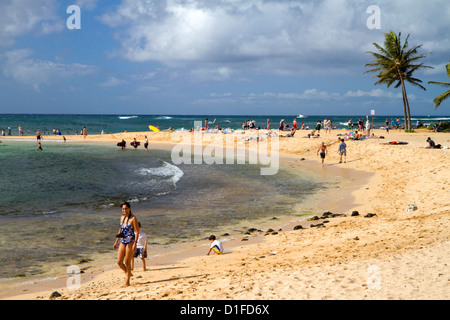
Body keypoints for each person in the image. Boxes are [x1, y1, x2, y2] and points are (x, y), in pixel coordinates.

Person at [113, 202, 140, 287]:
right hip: (122, 240)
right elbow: (120, 230)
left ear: (129, 208)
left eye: (126, 208)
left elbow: (136, 231)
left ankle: (127, 281)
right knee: (119, 262)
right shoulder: (122, 218)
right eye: (123, 209)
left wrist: (135, 243)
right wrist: (116, 241)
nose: (124, 210)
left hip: (131, 241)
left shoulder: (133, 218)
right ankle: (128, 273)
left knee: (127, 261)